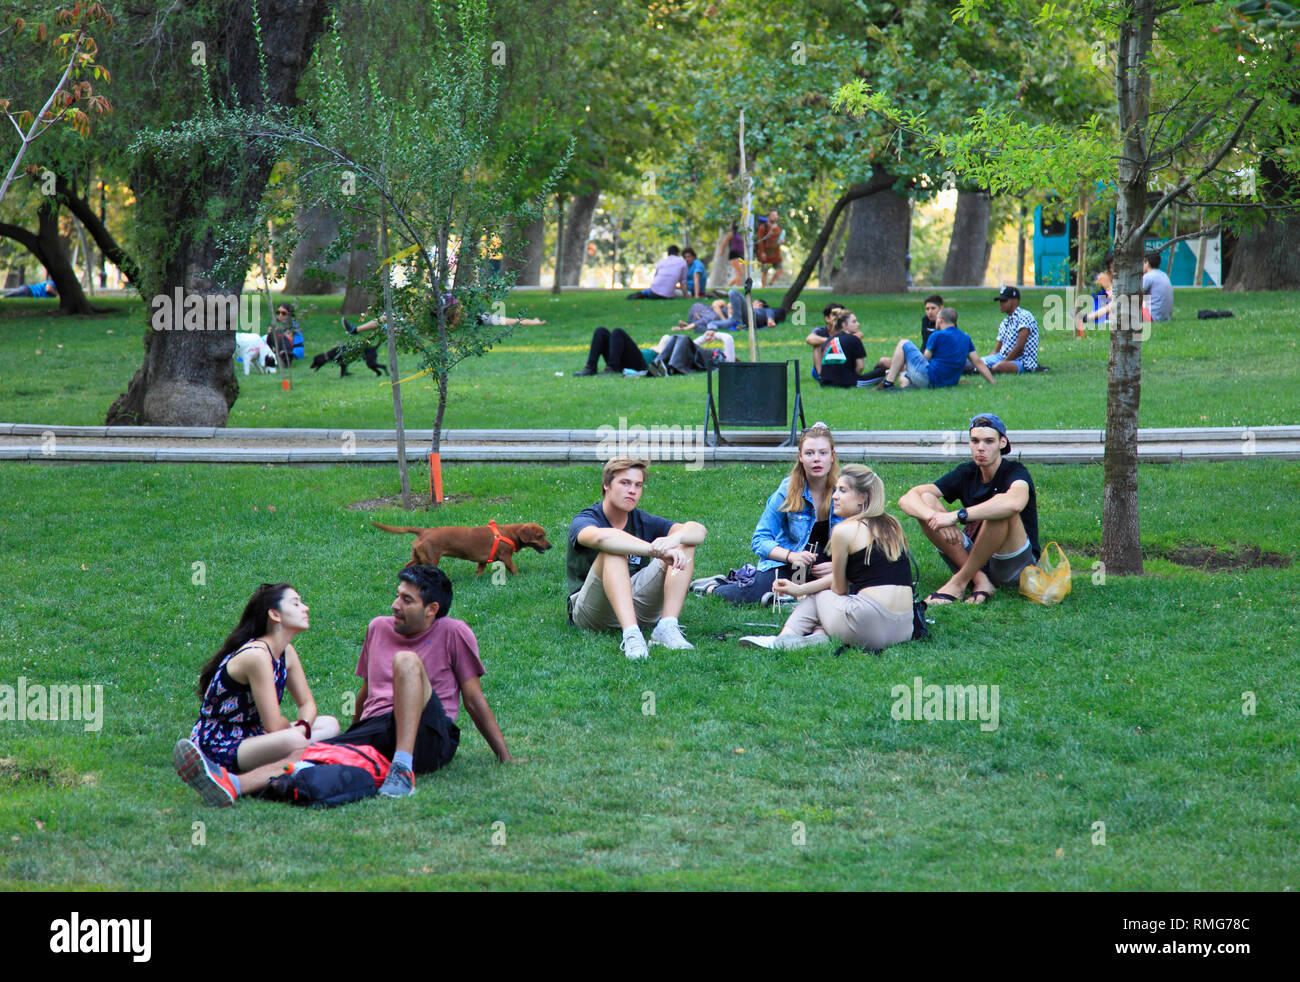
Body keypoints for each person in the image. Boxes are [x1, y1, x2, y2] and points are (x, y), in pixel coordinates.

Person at [174, 566, 516, 805]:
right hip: (377, 730)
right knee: (307, 752)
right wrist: (354, 733)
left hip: (431, 735)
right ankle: (232, 785)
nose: (395, 605)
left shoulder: (454, 632)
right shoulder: (378, 628)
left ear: (432, 610)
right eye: (397, 596)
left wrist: (504, 756)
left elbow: (473, 699)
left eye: (407, 600)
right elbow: (368, 693)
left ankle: (403, 769)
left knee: (407, 662)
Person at [172, 583, 341, 795]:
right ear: (275, 614)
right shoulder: (257, 655)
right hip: (219, 742)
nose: (305, 608)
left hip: (252, 734)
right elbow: (272, 724)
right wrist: (299, 733)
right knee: (297, 740)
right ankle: (212, 769)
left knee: (330, 724)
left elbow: (306, 703)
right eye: (296, 603)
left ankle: (290, 758)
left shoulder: (286, 651)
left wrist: (304, 726)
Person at [739, 465, 915, 652]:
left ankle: (781, 640)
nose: (834, 496)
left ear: (862, 497)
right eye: (835, 490)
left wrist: (803, 590)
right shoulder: (893, 526)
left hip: (868, 627)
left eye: (842, 490)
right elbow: (856, 576)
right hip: (904, 627)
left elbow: (838, 588)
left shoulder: (844, 531)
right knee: (826, 597)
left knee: (820, 595)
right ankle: (818, 636)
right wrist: (798, 588)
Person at [566, 458, 707, 660]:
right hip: (592, 610)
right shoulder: (586, 518)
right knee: (612, 550)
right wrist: (654, 550)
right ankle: (632, 635)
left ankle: (666, 627)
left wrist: (675, 539)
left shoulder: (642, 519)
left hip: (636, 601)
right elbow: (601, 537)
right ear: (606, 485)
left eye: (638, 485)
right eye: (625, 483)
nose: (632, 490)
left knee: (685, 543)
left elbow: (698, 530)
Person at [898, 413, 1041, 606]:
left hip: (1013, 563)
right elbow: (907, 499)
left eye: (989, 441)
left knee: (1001, 510)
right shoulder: (967, 472)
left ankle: (958, 583)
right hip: (976, 558)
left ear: (1002, 443)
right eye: (975, 441)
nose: (981, 447)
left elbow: (1014, 503)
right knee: (925, 499)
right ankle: (980, 580)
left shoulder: (1015, 471)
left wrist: (957, 516)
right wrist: (934, 516)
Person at [693, 422, 840, 605]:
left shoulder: (844, 491)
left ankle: (784, 594)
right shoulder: (788, 489)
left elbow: (862, 544)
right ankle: (713, 586)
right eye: (809, 453)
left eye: (823, 453)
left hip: (826, 566)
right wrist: (791, 556)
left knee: (852, 586)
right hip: (789, 561)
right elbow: (760, 539)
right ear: (800, 457)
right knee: (754, 593)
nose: (816, 459)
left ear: (832, 456)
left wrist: (838, 566)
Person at [876, 306, 995, 390]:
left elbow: (925, 359)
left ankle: (888, 383)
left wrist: (906, 365)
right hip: (949, 383)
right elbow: (978, 362)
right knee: (904, 377)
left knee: (903, 343)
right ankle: (906, 387)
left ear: (941, 319)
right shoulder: (965, 337)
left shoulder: (937, 335)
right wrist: (992, 382)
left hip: (930, 379)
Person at [982, 286, 1039, 373]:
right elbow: (997, 350)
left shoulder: (1024, 316)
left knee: (999, 367)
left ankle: (986, 369)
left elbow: (1019, 346)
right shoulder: (1005, 322)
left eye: (1004, 300)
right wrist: (982, 361)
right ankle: (979, 369)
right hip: (1002, 357)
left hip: (1022, 361)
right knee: (978, 362)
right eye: (1000, 301)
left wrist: (1004, 362)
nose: (1001, 303)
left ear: (1015, 301)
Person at [818, 310, 870, 388]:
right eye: (854, 322)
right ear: (844, 325)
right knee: (882, 371)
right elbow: (860, 367)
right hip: (847, 382)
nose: (858, 324)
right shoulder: (854, 339)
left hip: (825, 382)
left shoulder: (828, 341)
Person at [573, 326, 652, 376]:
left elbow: (665, 340)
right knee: (601, 331)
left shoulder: (663, 346)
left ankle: (612, 368)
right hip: (620, 358)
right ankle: (591, 368)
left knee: (618, 332)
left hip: (638, 365)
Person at [755, 209, 784, 287]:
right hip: (765, 252)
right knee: (765, 271)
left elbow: (781, 239)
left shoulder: (778, 228)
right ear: (769, 217)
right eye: (773, 215)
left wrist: (782, 241)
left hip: (775, 253)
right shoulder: (763, 227)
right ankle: (764, 287)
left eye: (776, 215)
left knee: (780, 270)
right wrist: (762, 252)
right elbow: (760, 240)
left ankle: (770, 284)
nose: (775, 217)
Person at [1142, 251, 1173, 322]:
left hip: (1152, 317)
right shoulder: (1164, 275)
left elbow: (1133, 295)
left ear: (1146, 262)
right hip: (1165, 318)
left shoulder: (1148, 277)